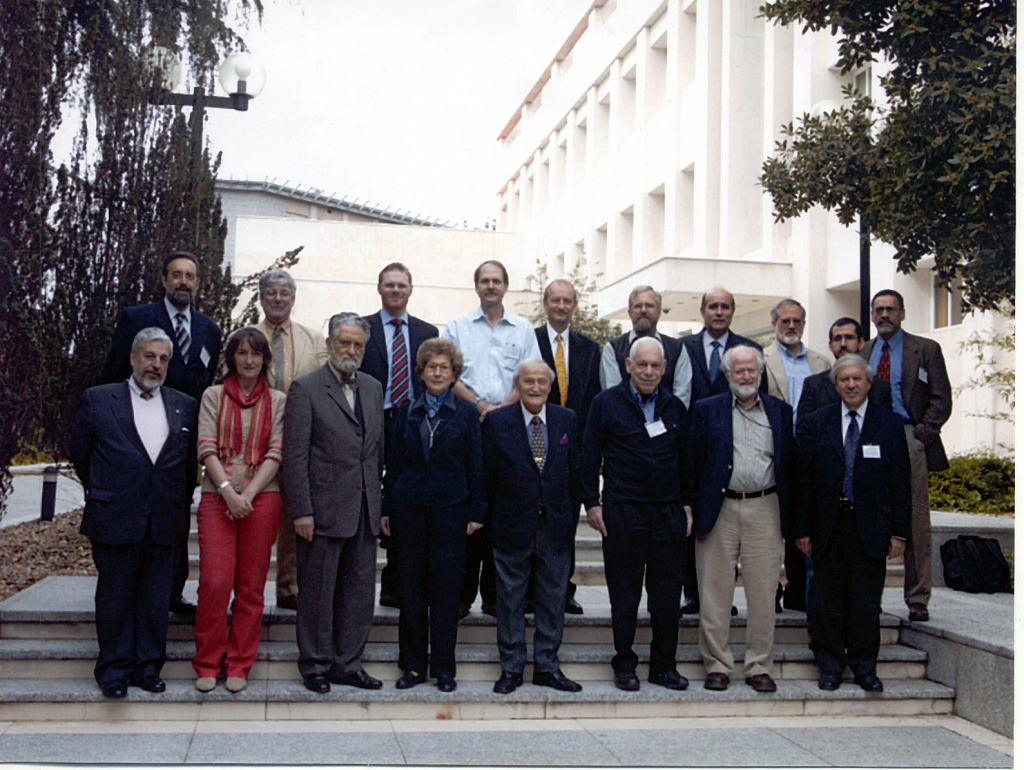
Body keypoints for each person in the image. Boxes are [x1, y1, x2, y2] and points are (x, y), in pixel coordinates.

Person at [71, 327, 197, 698]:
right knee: (115, 596)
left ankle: (147, 668)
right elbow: (82, 454)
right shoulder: (98, 400)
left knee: (156, 597)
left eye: (163, 359)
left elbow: (188, 466)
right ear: (133, 357)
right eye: (149, 356)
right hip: (115, 515)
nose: (155, 365)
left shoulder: (184, 404)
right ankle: (113, 669)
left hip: (164, 517)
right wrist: (107, 491)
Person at [101, 251, 223, 616]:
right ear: (164, 279)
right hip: (138, 438)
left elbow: (205, 384)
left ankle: (171, 590)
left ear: (198, 282)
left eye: (190, 275)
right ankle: (131, 585)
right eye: (176, 275)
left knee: (175, 515)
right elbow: (111, 375)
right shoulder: (138, 318)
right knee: (137, 512)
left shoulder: (209, 330)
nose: (183, 281)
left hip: (183, 441)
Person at [793, 355, 911, 691]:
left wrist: (899, 532)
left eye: (857, 379)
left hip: (870, 526)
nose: (851, 385)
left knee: (864, 600)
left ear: (869, 383)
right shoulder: (817, 422)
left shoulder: (889, 424)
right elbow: (803, 480)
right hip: (827, 525)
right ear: (836, 385)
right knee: (825, 599)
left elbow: (901, 484)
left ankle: (864, 667)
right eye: (844, 379)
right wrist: (802, 529)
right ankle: (829, 666)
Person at [581, 337, 692, 692]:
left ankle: (664, 666)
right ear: (628, 365)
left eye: (655, 365)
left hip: (666, 512)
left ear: (664, 368)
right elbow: (587, 456)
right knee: (625, 594)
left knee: (666, 595)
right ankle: (625, 663)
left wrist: (687, 504)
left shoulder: (675, 407)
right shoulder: (605, 403)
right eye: (641, 364)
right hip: (622, 509)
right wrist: (592, 503)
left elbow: (687, 461)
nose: (648, 371)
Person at [282, 312, 385, 694]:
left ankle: (348, 664)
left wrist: (380, 504)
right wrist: (302, 510)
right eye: (345, 343)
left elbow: (377, 454)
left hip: (364, 509)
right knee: (318, 593)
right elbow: (295, 456)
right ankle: (315, 665)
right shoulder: (306, 388)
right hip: (322, 510)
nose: (352, 350)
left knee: (359, 594)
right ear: (330, 345)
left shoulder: (374, 388)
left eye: (358, 344)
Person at [382, 338, 485, 692]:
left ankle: (444, 668)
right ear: (421, 372)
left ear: (454, 374)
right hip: (409, 508)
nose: (437, 372)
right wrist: (386, 508)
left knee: (445, 591)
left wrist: (477, 509)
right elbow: (393, 464)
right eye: (431, 367)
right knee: (411, 589)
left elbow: (476, 464)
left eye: (444, 367)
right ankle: (412, 667)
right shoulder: (406, 410)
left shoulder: (467, 413)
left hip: (451, 510)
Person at [690, 345, 792, 693]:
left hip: (766, 506)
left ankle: (759, 665)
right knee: (714, 591)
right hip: (719, 509)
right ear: (727, 375)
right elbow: (693, 464)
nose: (746, 377)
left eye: (752, 371)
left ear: (761, 374)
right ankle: (717, 665)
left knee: (764, 591)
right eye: (739, 372)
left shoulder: (780, 412)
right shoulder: (707, 410)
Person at [442, 260, 541, 618]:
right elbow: (448, 374)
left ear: (505, 285)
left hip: (511, 428)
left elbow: (532, 376)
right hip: (467, 425)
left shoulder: (524, 328)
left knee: (503, 513)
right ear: (476, 286)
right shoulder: (457, 327)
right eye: (484, 280)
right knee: (470, 512)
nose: (490, 286)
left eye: (496, 280)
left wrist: (501, 410)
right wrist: (482, 406)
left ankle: (498, 597)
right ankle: (463, 596)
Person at [192, 327, 285, 694]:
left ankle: (239, 663)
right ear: (232, 357)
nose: (249, 361)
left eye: (256, 354)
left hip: (262, 498)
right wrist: (229, 492)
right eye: (242, 353)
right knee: (214, 583)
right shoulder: (213, 396)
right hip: (219, 497)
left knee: (250, 587)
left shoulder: (278, 400)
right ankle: (207, 662)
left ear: (265, 360)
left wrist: (248, 494)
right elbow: (205, 447)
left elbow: (276, 452)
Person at [483, 359, 583, 695]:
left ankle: (547, 667)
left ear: (550, 385)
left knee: (553, 599)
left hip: (555, 525)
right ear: (518, 385)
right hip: (512, 524)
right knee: (510, 600)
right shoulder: (498, 421)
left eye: (542, 381)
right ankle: (511, 669)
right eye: (528, 382)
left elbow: (576, 473)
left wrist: (568, 517)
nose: (536, 387)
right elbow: (488, 477)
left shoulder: (567, 419)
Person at [862, 289, 952, 623]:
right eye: (879, 310)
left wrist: (921, 436)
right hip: (871, 438)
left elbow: (942, 399)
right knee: (871, 513)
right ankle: (870, 595)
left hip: (908, 434)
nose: (884, 315)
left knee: (914, 517)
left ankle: (917, 597)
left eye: (891, 310)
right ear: (872, 315)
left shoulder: (925, 349)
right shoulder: (864, 350)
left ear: (902, 313)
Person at [679, 287, 765, 614]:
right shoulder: (682, 347)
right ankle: (693, 592)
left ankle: (723, 595)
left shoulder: (750, 350)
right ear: (702, 310)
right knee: (695, 520)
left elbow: (760, 403)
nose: (719, 311)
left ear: (732, 311)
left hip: (731, 449)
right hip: (690, 447)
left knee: (727, 526)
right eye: (712, 306)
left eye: (725, 306)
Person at [360, 263, 439, 610]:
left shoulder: (427, 331)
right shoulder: (363, 328)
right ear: (379, 288)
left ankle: (395, 583)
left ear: (410, 289)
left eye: (401, 285)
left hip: (412, 422)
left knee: (404, 497)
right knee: (372, 493)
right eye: (389, 285)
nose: (395, 290)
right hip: (373, 419)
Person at [253, 268, 328, 612]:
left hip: (302, 444)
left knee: (294, 515)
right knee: (256, 516)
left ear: (293, 299)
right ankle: (248, 588)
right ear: (261, 297)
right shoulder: (245, 337)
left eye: (284, 293)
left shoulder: (315, 341)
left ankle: (288, 587)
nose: (278, 298)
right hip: (254, 442)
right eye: (271, 293)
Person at [532, 278, 601, 615]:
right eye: (555, 300)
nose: (561, 306)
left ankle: (564, 590)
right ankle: (531, 589)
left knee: (566, 524)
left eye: (567, 301)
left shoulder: (590, 348)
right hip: (533, 445)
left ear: (575, 305)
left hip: (572, 453)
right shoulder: (527, 341)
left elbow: (591, 401)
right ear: (545, 303)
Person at [761, 299, 830, 613]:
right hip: (773, 450)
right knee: (771, 523)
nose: (791, 326)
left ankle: (799, 590)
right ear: (775, 323)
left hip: (811, 455)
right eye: (786, 321)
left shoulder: (822, 363)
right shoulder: (762, 360)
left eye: (797, 321)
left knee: (803, 520)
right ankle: (771, 589)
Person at [599, 285, 692, 406]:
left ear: (659, 311)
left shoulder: (677, 349)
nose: (643, 310)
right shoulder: (613, 349)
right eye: (638, 306)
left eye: (649, 305)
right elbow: (613, 398)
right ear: (630, 312)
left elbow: (681, 397)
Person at [796, 318, 893, 426]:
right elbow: (803, 428)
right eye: (837, 339)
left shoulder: (880, 387)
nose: (843, 344)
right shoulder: (814, 385)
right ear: (830, 345)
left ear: (861, 343)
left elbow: (887, 429)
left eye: (849, 338)